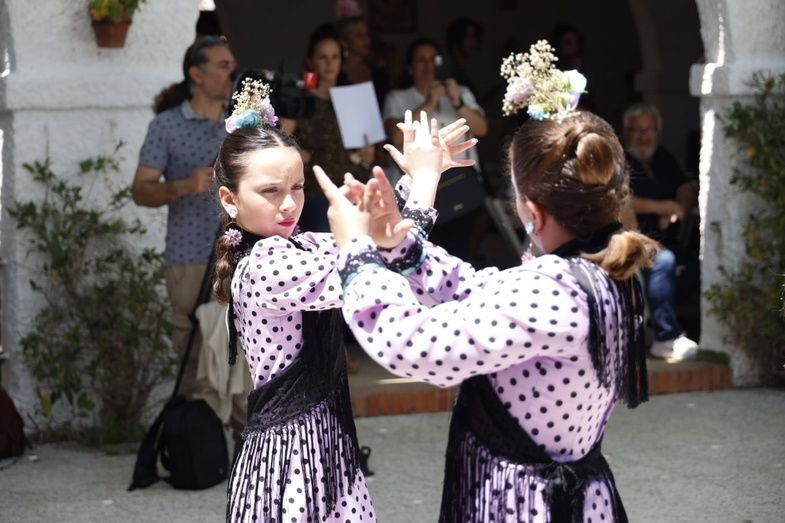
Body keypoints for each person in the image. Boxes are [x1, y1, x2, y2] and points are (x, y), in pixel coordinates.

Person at [316, 101, 657, 520]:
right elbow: (478, 288)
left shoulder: (554, 289)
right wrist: (397, 244)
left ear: (532, 212)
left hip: (527, 504)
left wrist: (357, 252)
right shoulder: (597, 272)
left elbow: (417, 345)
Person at [214, 81, 475, 522]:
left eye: (297, 187)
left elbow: (374, 234)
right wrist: (427, 180)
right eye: (270, 191)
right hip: (290, 461)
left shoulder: (303, 246)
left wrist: (418, 173)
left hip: (323, 448)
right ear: (229, 199)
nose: (288, 204)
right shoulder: (264, 265)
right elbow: (382, 261)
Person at [131, 36, 247, 432]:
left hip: (240, 257)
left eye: (232, 65)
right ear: (196, 74)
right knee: (194, 362)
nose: (231, 73)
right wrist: (184, 185)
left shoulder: (241, 124)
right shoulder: (166, 125)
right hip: (188, 259)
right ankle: (200, 450)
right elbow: (140, 190)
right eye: (222, 65)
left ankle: (250, 450)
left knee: (243, 360)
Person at [383, 38, 488, 259]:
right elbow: (395, 136)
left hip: (460, 183)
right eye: (421, 60)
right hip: (418, 188)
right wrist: (429, 102)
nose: (428, 65)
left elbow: (481, 128)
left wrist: (457, 102)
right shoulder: (398, 97)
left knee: (460, 250)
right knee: (418, 249)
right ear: (410, 67)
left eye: (433, 59)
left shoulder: (461, 92)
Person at [623, 102, 699, 361]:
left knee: (698, 269)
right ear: (626, 132)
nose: (644, 137)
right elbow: (620, 200)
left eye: (650, 131)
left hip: (670, 240)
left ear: (659, 134)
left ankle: (659, 321)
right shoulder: (619, 160)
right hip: (633, 242)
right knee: (663, 263)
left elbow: (686, 188)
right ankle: (666, 336)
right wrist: (661, 207)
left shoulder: (663, 157)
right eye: (637, 130)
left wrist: (679, 208)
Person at [280, 24, 375, 234]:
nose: (329, 63)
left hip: (354, 187)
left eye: (335, 57)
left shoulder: (352, 97)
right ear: (311, 61)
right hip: (316, 192)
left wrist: (368, 154)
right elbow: (279, 142)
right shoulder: (300, 98)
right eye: (323, 57)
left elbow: (368, 149)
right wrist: (295, 153)